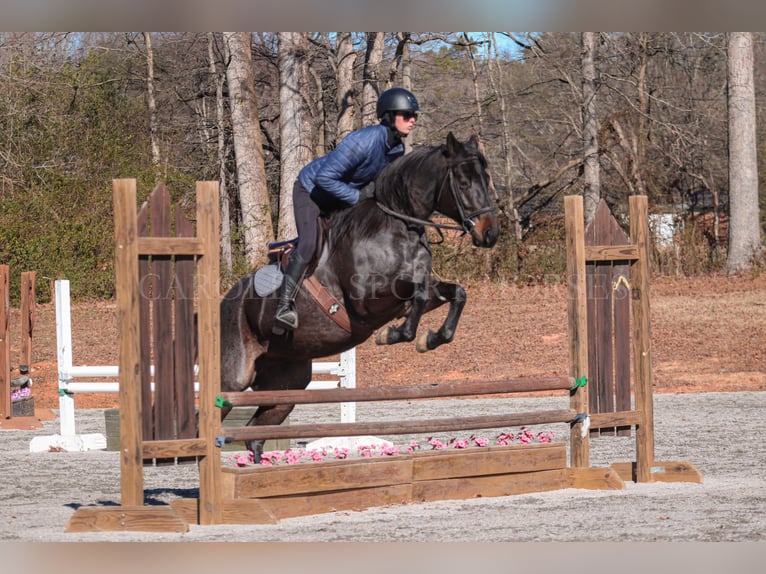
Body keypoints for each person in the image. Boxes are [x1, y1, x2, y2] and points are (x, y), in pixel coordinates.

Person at [272, 86, 420, 334]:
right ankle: (283, 306)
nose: (412, 120)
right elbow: (326, 179)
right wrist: (357, 196)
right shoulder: (365, 140)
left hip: (340, 198)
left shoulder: (397, 150)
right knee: (309, 245)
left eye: (414, 115)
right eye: (407, 115)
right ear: (389, 115)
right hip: (311, 192)